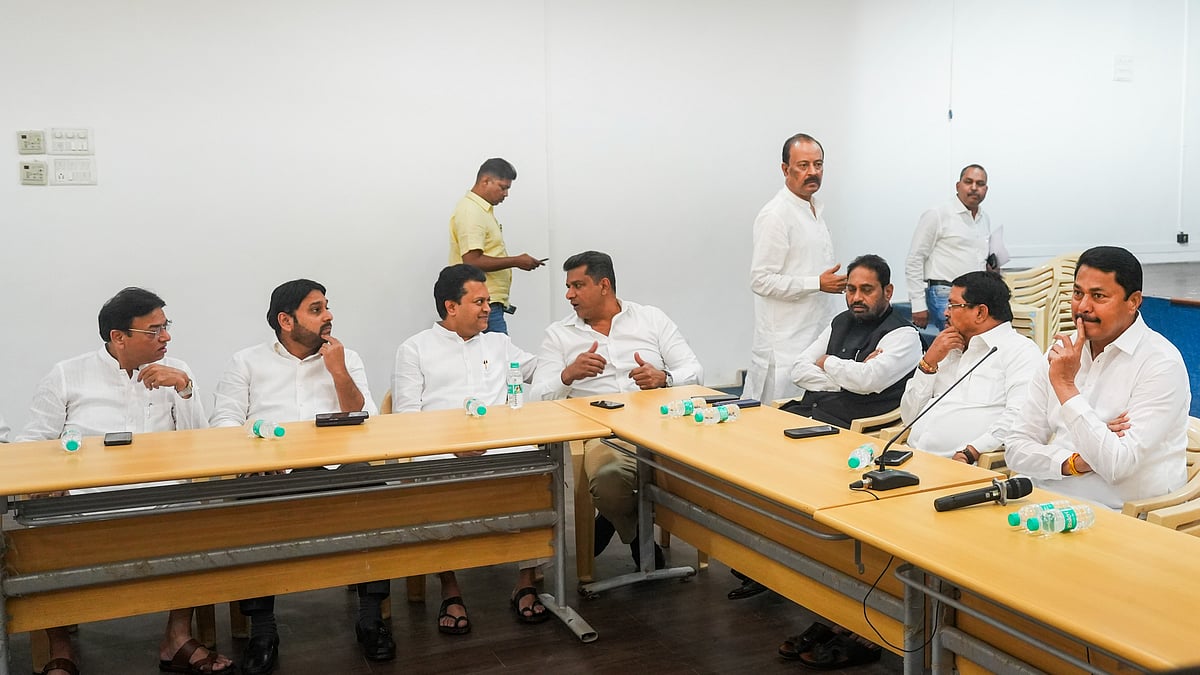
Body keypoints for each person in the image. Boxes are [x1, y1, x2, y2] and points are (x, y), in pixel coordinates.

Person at [16, 287, 234, 675]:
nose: (166, 337)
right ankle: (60, 645)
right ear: (119, 337)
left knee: (199, 520)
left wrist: (183, 389)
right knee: (41, 533)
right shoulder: (69, 374)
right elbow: (31, 441)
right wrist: (48, 478)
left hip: (160, 498)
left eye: (166, 327)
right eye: (154, 331)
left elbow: (201, 443)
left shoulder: (177, 371)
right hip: (85, 501)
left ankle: (178, 637)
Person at [209, 279, 388, 673]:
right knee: (249, 497)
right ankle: (263, 629)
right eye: (317, 309)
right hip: (272, 470)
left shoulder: (345, 356)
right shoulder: (246, 362)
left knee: (373, 488)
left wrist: (338, 372)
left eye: (327, 306)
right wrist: (255, 455)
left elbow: (367, 420)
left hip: (336, 467)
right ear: (286, 321)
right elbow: (224, 423)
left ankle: (371, 617)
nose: (329, 316)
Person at [391, 264, 551, 633]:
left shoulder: (499, 343)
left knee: (541, 476)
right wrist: (450, 446)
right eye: (479, 301)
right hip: (441, 453)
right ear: (451, 306)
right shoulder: (414, 349)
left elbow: (540, 372)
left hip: (500, 449)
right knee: (429, 491)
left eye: (488, 301)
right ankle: (450, 588)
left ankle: (525, 581)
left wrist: (569, 368)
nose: (486, 309)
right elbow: (405, 418)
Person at [535, 250, 703, 567]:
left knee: (713, 473)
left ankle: (611, 521)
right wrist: (567, 375)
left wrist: (663, 378)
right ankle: (638, 536)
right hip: (605, 434)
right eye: (568, 286)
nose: (569, 295)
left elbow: (694, 370)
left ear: (604, 285)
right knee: (610, 480)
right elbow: (537, 399)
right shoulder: (559, 335)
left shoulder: (651, 319)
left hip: (662, 426)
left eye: (577, 285)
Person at [1006, 246, 1190, 509]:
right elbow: (1014, 448)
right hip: (1045, 501)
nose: (1083, 307)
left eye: (1098, 296)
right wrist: (1074, 463)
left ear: (1134, 301)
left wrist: (1066, 387)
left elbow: (1116, 465)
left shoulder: (1160, 363)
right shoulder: (1062, 350)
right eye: (1078, 293)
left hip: (1121, 516)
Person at [746, 133, 846, 403]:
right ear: (785, 169)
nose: (812, 172)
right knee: (773, 427)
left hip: (815, 337)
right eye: (803, 165)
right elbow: (761, 280)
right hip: (785, 344)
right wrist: (817, 283)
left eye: (818, 164)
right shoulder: (776, 215)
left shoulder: (814, 209)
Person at [900, 271, 1042, 461]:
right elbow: (909, 417)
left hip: (961, 466)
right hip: (911, 456)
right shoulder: (947, 347)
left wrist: (972, 451)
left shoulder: (1020, 351)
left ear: (980, 312)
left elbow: (1020, 417)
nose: (945, 312)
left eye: (952, 305)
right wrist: (929, 363)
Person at [782, 254, 923, 428]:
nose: (856, 297)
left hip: (850, 427)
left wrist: (826, 362)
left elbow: (867, 379)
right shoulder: (841, 321)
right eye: (851, 289)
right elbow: (798, 370)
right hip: (808, 414)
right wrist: (848, 383)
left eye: (866, 290)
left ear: (888, 292)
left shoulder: (903, 335)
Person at [448, 157, 546, 334]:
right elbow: (471, 261)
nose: (506, 194)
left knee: (492, 357)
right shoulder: (472, 212)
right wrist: (516, 261)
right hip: (483, 304)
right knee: (498, 358)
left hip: (485, 302)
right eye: (503, 187)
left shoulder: (480, 211)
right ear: (485, 181)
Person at [905, 164, 993, 332]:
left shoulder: (984, 219)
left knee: (970, 348)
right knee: (953, 346)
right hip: (945, 295)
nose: (974, 188)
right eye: (969, 182)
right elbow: (915, 259)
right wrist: (917, 304)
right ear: (958, 186)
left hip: (975, 296)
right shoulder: (938, 214)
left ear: (986, 189)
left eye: (980, 184)